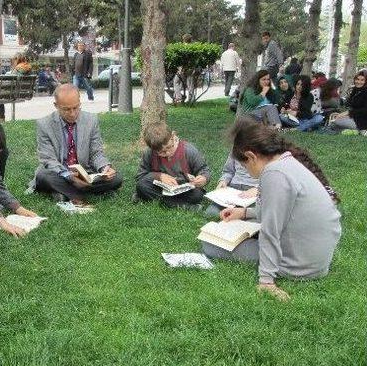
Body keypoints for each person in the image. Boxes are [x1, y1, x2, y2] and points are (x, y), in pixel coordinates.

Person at [202, 117, 341, 301]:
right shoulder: (287, 162)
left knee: (209, 244)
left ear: (251, 156)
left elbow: (271, 231)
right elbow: (285, 211)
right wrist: (245, 213)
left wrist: (266, 281)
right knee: (247, 225)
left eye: (244, 165)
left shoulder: (274, 174)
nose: (247, 170)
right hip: (314, 257)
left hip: (298, 263)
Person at [30, 84, 123, 203]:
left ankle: (64, 193)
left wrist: (104, 168)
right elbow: (48, 160)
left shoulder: (91, 120)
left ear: (79, 103)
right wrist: (69, 177)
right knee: (43, 175)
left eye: (76, 107)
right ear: (56, 106)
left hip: (85, 174)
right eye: (67, 109)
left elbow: (96, 153)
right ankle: (83, 193)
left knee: (116, 177)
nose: (72, 113)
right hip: (59, 173)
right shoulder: (44, 125)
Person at [134, 125, 210, 209]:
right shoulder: (149, 153)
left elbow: (203, 169)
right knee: (141, 186)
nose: (167, 153)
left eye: (169, 147)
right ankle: (183, 206)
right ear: (152, 149)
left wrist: (203, 178)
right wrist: (159, 176)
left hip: (183, 188)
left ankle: (150, 198)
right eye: (161, 152)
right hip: (161, 188)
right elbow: (140, 177)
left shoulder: (189, 150)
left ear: (173, 136)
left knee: (197, 195)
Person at [204, 152, 258, 217]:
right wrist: (223, 181)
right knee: (211, 212)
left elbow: (271, 177)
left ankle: (239, 213)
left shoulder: (266, 150)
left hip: (253, 190)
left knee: (256, 212)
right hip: (233, 188)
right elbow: (228, 171)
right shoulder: (236, 149)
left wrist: (259, 189)